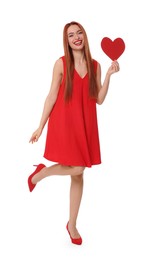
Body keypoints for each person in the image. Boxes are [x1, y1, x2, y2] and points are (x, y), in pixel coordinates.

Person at [28, 21, 120, 245]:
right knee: (77, 167)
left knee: (78, 174)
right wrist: (41, 125)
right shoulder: (60, 64)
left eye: (79, 33)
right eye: (71, 35)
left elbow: (98, 99)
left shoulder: (96, 65)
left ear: (85, 36)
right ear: (66, 41)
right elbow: (51, 96)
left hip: (85, 124)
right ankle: (39, 174)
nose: (76, 37)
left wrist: (108, 75)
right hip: (64, 122)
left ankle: (72, 224)